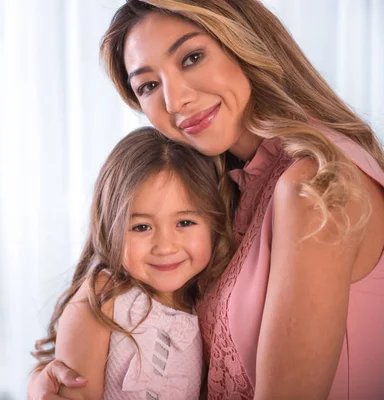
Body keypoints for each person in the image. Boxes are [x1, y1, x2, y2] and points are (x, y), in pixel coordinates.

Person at [28, 0, 384, 399]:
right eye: (148, 85)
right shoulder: (229, 187)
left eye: (192, 57)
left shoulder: (315, 183)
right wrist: (57, 375)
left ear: (245, 42)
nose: (174, 100)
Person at [31, 127, 235, 399]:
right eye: (141, 227)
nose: (165, 246)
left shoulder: (206, 301)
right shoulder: (103, 298)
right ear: (110, 227)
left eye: (184, 222)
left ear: (215, 224)